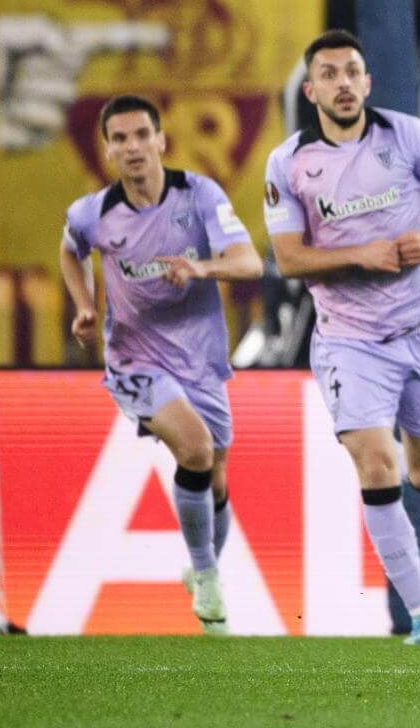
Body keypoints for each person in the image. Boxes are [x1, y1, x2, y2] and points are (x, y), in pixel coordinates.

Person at [263, 30, 420, 645]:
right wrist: (363, 254)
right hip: (348, 339)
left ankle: (414, 591)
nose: (341, 83)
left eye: (351, 71)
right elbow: (288, 259)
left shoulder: (407, 135)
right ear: (311, 91)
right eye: (328, 74)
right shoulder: (288, 164)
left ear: (366, 82)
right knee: (375, 460)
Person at [59, 95, 263, 635]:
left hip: (201, 359)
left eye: (141, 135)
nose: (132, 147)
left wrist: (198, 269)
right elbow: (69, 249)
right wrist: (84, 304)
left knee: (215, 475)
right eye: (119, 138)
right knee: (195, 449)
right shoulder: (94, 213)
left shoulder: (199, 196)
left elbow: (249, 262)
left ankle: (203, 573)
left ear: (161, 141)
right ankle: (207, 576)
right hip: (135, 358)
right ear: (107, 150)